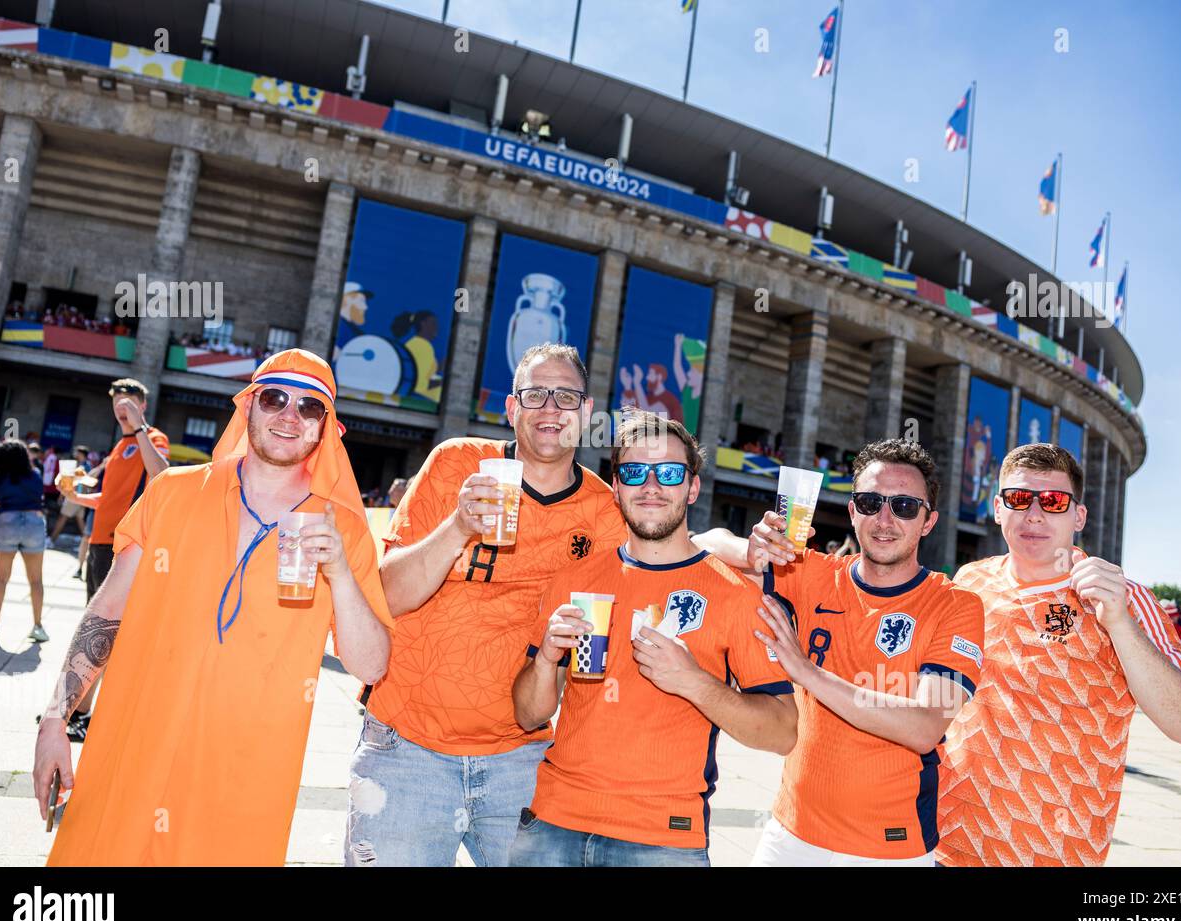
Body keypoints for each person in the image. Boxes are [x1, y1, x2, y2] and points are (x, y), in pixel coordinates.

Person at [33, 350, 393, 865]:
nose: (289, 416)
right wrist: (54, 720)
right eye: (274, 398)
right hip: (130, 757)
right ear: (248, 405)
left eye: (310, 407)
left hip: (241, 785)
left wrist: (338, 572)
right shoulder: (171, 493)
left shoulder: (344, 530)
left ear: (325, 428)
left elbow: (371, 665)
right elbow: (107, 609)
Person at [350, 343, 627, 867]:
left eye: (566, 397)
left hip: (523, 758)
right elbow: (387, 594)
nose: (550, 409)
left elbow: (671, 552)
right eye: (535, 394)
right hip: (406, 747)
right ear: (511, 408)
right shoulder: (456, 462)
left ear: (588, 413)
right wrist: (457, 526)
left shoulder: (604, 514)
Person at [509, 410, 796, 866]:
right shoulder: (574, 580)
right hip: (553, 824)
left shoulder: (736, 595)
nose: (651, 486)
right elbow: (528, 716)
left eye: (669, 472)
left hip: (663, 838)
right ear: (617, 486)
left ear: (692, 487)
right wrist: (545, 659)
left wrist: (694, 682)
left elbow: (782, 733)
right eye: (635, 472)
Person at [697, 438, 986, 866]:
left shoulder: (955, 605)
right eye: (870, 502)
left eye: (905, 506)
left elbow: (924, 726)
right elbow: (702, 540)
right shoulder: (810, 572)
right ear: (852, 511)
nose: (884, 519)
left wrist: (808, 672)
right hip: (790, 833)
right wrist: (753, 549)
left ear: (928, 522)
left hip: (889, 849)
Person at [936, 443, 1181, 867]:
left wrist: (1118, 623)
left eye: (1054, 501)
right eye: (1019, 499)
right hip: (950, 844)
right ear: (998, 508)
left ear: (1078, 516)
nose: (1035, 514)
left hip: (1057, 853)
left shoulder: (1125, 597)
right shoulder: (970, 581)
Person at [55, 379, 169, 741]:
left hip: (126, 545)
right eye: (118, 400)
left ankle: (87, 714)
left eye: (129, 401)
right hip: (100, 542)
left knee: (106, 632)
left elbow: (162, 474)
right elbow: (109, 499)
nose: (121, 405)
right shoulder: (120, 445)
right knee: (96, 628)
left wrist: (139, 428)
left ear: (142, 405)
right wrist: (75, 494)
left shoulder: (150, 438)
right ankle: (79, 711)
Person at [0, 440, 50, 643]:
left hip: (8, 520)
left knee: (0, 578)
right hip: (33, 522)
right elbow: (40, 498)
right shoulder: (35, 474)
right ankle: (38, 626)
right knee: (36, 580)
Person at [49, 445, 90, 545]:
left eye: (77, 452)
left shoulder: (82, 467)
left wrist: (63, 495)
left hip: (74, 496)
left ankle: (51, 540)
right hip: (80, 497)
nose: (75, 454)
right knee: (80, 521)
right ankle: (87, 544)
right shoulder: (86, 466)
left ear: (81, 454)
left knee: (62, 517)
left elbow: (73, 483)